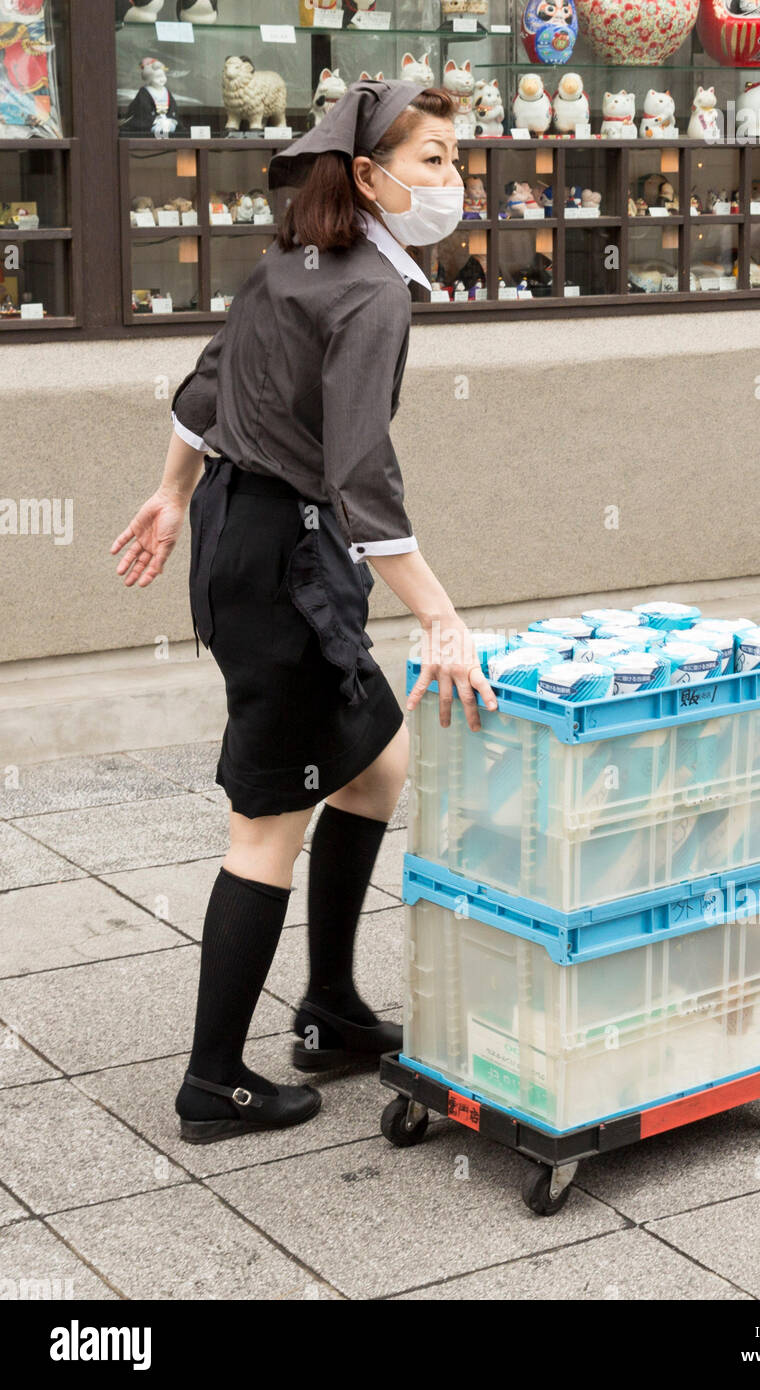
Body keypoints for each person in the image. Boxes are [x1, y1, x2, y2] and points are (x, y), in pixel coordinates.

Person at [110, 79, 498, 1145]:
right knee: (265, 821)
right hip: (283, 560)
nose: (451, 180)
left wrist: (173, 492)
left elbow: (203, 391)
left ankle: (328, 1008)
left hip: (250, 540)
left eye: (455, 159)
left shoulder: (291, 267)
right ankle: (213, 1080)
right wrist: (439, 615)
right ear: (367, 177)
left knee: (375, 760)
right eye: (431, 161)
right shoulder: (370, 291)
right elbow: (361, 468)